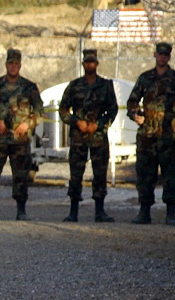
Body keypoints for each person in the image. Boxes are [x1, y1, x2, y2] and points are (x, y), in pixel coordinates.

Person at [0, 48, 43, 221]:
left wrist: (27, 124)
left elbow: (39, 111)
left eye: (16, 63)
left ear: (20, 65)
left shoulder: (29, 87)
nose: (13, 66)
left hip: (20, 140)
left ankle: (21, 210)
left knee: (21, 175)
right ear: (6, 64)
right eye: (10, 63)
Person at [60, 49, 118, 223]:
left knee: (100, 174)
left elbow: (113, 109)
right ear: (83, 64)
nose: (90, 65)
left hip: (98, 137)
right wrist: (76, 122)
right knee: (76, 175)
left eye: (92, 62)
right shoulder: (74, 85)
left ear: (97, 63)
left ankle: (100, 211)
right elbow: (63, 109)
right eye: (87, 62)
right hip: (78, 137)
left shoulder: (106, 86)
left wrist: (98, 124)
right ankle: (73, 212)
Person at [127, 41, 175, 225]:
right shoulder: (145, 78)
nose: (162, 57)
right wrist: (134, 114)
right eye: (160, 54)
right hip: (147, 135)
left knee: (171, 175)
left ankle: (171, 212)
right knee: (145, 174)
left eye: (165, 54)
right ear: (155, 55)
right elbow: (132, 101)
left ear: (169, 56)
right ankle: (144, 211)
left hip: (168, 136)